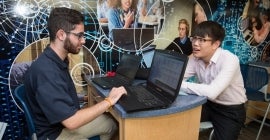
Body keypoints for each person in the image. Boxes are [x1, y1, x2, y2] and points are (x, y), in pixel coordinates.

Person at [23, 7, 127, 140]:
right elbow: (71, 122)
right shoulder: (46, 71)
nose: (83, 40)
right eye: (79, 35)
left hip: (62, 123)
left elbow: (58, 93)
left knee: (111, 123)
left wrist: (82, 98)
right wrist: (109, 100)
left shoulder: (57, 60)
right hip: (55, 134)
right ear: (61, 35)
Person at [180, 21, 247, 140]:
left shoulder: (230, 59)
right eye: (194, 38)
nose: (195, 43)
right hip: (207, 104)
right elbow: (178, 78)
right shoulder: (196, 58)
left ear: (216, 44)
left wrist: (180, 84)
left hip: (230, 111)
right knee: (178, 119)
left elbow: (212, 92)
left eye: (202, 40)